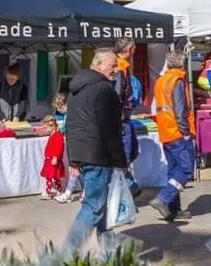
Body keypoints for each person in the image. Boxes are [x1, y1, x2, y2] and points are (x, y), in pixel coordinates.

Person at [64, 50, 126, 246]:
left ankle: (109, 251)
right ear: (99, 65)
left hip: (83, 154)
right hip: (98, 155)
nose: (115, 70)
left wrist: (73, 158)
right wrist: (120, 160)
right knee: (94, 206)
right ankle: (68, 252)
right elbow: (111, 129)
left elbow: (70, 125)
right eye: (112, 65)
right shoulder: (105, 90)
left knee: (102, 204)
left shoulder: (76, 91)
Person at [149, 50, 196, 222]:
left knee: (174, 170)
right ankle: (163, 198)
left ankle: (172, 209)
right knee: (186, 169)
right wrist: (185, 132)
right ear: (182, 63)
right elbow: (179, 108)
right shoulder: (177, 80)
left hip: (165, 131)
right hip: (177, 132)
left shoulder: (161, 80)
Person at [113, 38, 142, 198]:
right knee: (124, 155)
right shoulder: (120, 68)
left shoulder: (120, 66)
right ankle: (129, 190)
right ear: (128, 49)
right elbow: (118, 94)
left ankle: (130, 188)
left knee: (127, 154)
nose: (135, 51)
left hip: (122, 117)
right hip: (121, 119)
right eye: (134, 48)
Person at [39, 115, 65, 200]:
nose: (45, 130)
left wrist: (55, 157)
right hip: (49, 159)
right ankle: (58, 191)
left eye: (46, 128)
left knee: (51, 177)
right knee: (53, 176)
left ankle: (49, 192)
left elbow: (59, 148)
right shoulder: (53, 134)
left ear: (52, 126)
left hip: (53, 160)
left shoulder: (57, 135)